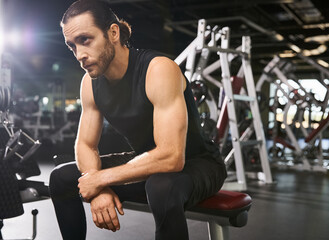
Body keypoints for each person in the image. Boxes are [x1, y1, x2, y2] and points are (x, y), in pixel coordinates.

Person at [49, 0, 227, 239]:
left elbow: (172, 157)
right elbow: (85, 145)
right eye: (72, 46)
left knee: (161, 186)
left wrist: (99, 178)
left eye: (85, 40)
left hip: (197, 163)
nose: (79, 55)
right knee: (61, 178)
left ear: (113, 32)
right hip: (147, 162)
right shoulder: (90, 84)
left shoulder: (158, 69)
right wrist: (98, 189)